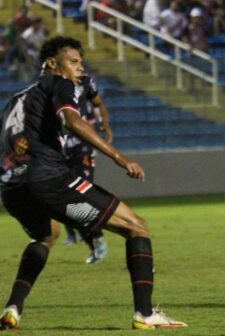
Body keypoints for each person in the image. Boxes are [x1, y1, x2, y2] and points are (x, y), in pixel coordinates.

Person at [0, 36, 186, 329]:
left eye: (81, 64)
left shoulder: (16, 99)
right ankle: (145, 313)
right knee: (137, 226)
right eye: (73, 62)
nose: (80, 70)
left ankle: (13, 307)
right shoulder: (59, 83)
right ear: (52, 63)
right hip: (47, 178)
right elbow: (73, 121)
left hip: (12, 187)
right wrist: (119, 157)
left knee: (47, 236)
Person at [62, 74, 113, 264]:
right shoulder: (52, 85)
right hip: (60, 148)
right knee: (65, 198)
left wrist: (105, 125)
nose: (79, 66)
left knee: (82, 193)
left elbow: (98, 104)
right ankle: (91, 239)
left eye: (80, 61)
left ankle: (96, 238)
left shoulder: (85, 81)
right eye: (74, 61)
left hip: (83, 146)